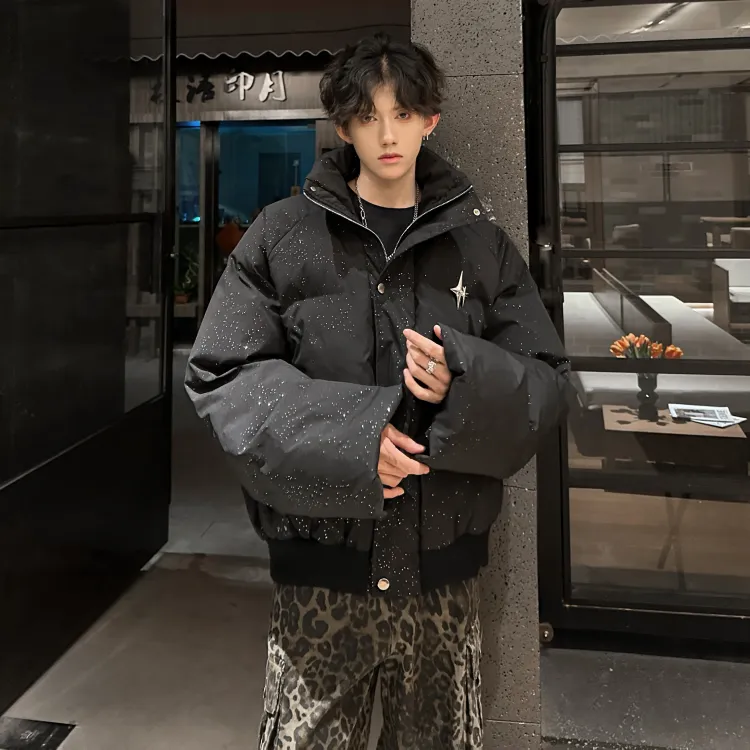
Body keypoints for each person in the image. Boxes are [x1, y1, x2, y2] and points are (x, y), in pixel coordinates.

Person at [185, 33, 569, 750]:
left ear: (430, 119)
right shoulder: (282, 236)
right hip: (319, 581)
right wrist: (358, 442)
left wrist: (464, 378)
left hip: (443, 582)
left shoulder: (481, 246)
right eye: (368, 116)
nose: (387, 135)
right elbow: (222, 374)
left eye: (403, 113)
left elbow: (546, 383)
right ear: (343, 126)